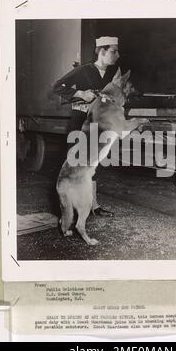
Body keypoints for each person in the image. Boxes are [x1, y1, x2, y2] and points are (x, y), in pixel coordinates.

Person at [53, 36, 121, 217]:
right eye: (114, 51)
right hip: (79, 121)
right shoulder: (84, 70)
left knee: (93, 164)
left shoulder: (111, 74)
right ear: (102, 51)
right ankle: (66, 209)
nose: (117, 55)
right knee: (74, 163)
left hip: (97, 124)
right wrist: (81, 93)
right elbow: (57, 86)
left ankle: (93, 205)